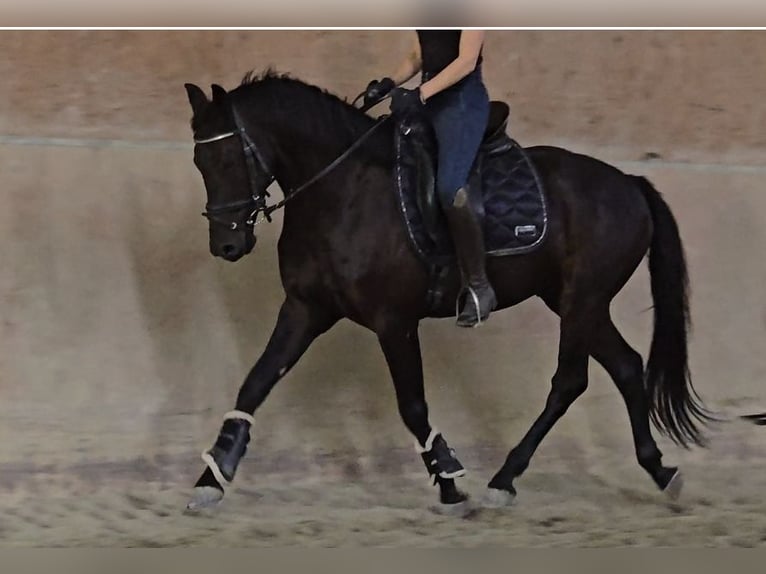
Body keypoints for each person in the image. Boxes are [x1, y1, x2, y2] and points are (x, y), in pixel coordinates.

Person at [364, 30, 496, 328]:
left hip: (461, 103)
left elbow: (466, 61)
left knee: (450, 187)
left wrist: (420, 93)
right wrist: (389, 83)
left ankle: (478, 285)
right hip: (430, 99)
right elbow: (418, 54)